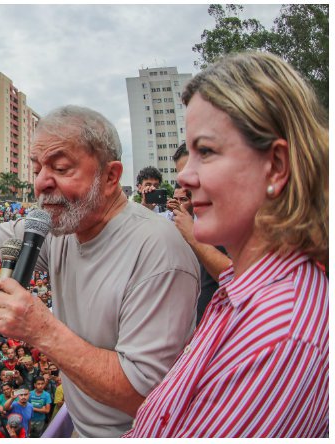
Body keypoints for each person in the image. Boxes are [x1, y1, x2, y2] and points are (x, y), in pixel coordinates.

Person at [0, 105, 200, 437]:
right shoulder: (59, 226)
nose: (41, 182)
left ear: (110, 177)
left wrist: (43, 331)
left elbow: (149, 399)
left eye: (61, 167)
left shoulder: (159, 252)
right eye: (37, 167)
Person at [125, 52, 328, 437]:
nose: (184, 177)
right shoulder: (246, 290)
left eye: (207, 151)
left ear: (277, 165)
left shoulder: (278, 336)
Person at [167, 142, 231, 325]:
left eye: (194, 172)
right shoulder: (198, 216)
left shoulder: (237, 218)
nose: (188, 182)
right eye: (182, 178)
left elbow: (243, 281)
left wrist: (192, 236)